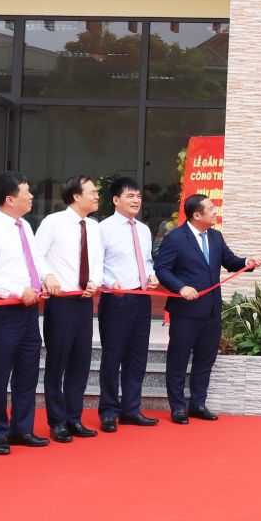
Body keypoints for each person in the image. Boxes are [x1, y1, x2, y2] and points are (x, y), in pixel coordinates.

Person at [154, 194, 261, 424]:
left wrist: (247, 262)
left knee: (205, 360)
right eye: (211, 208)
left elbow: (230, 261)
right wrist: (181, 287)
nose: (215, 211)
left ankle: (198, 404)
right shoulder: (175, 238)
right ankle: (177, 407)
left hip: (211, 310)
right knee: (178, 360)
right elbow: (162, 270)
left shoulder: (215, 236)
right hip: (185, 311)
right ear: (196, 215)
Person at [0, 171, 55, 454]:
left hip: (28, 312)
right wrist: (19, 291)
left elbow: (35, 260)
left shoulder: (25, 227)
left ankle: (22, 428)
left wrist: (47, 276)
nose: (31, 196)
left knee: (27, 372)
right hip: (1, 312)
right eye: (26, 192)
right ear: (9, 199)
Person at [33, 176, 103, 443]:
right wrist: (48, 276)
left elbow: (97, 260)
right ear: (76, 196)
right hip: (61, 301)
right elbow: (37, 255)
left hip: (84, 301)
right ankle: (57, 421)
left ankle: (74, 417)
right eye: (92, 192)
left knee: (81, 362)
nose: (97, 196)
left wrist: (94, 281)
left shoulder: (94, 227)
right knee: (58, 362)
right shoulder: (53, 222)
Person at [98, 177, 161, 431]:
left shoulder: (143, 230)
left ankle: (131, 409)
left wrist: (151, 276)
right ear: (116, 200)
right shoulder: (103, 229)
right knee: (112, 356)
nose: (136, 201)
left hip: (141, 298)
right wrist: (109, 283)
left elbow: (146, 261)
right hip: (116, 299)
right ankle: (108, 411)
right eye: (130, 196)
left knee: (137, 356)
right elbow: (96, 264)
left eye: (138, 196)